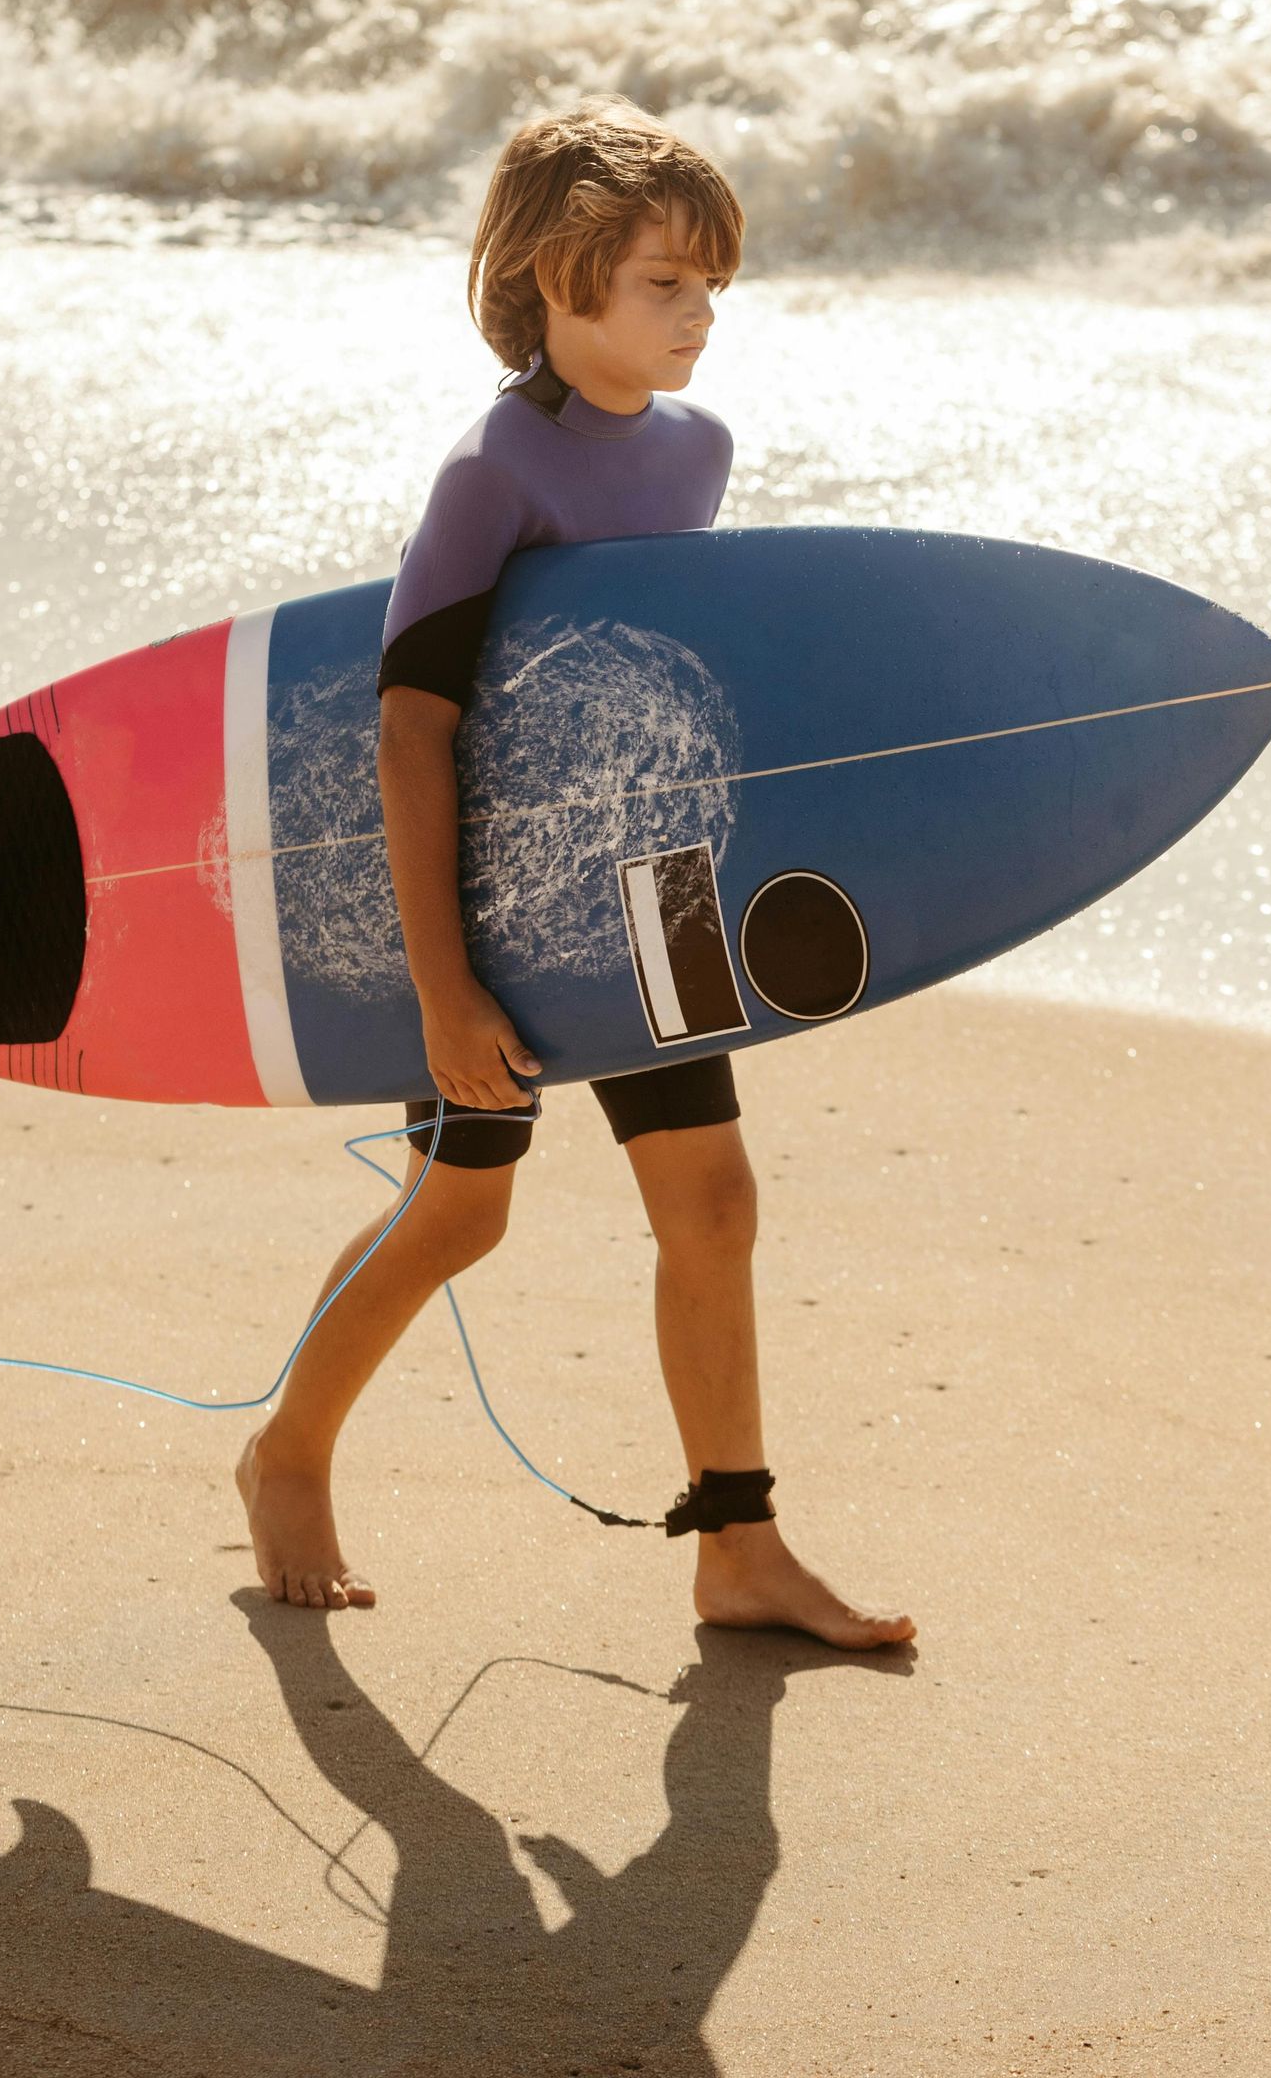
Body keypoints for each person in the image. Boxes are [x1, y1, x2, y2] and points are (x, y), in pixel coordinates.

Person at [237, 97, 915, 1649]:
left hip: (658, 881)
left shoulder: (700, 453)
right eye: (664, 284)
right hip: (500, 890)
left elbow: (664, 679)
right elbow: (413, 730)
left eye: (712, 289)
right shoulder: (496, 470)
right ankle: (286, 1451)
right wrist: (441, 984)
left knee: (716, 1205)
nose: (698, 318)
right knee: (463, 1212)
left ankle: (735, 1545)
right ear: (560, 279)